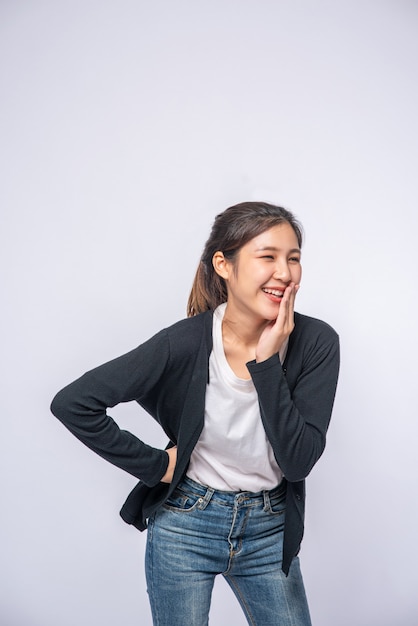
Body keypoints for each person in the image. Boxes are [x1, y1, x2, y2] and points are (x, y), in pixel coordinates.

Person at [51, 201, 339, 626]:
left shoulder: (315, 342)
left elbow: (298, 461)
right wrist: (156, 465)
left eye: (293, 259)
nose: (284, 272)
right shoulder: (184, 342)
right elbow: (74, 403)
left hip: (269, 530)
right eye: (268, 257)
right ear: (224, 264)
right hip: (186, 524)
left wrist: (265, 365)